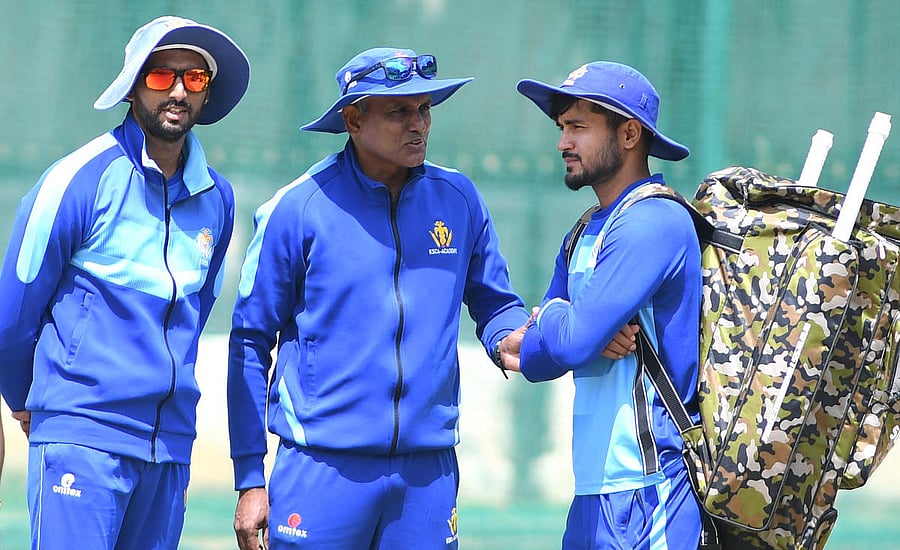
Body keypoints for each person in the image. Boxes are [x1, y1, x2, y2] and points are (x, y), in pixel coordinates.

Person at [226, 47, 532, 549]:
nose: (419, 125)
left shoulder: (459, 199)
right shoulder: (297, 208)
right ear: (353, 119)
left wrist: (509, 337)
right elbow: (250, 343)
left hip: (427, 473)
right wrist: (249, 476)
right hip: (320, 467)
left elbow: (496, 304)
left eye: (425, 109)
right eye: (399, 111)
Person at [0, 15, 249, 549]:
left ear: (207, 93)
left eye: (195, 78)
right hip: (81, 439)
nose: (178, 90)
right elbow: (13, 312)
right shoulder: (77, 179)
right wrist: (34, 402)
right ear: (134, 85)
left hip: (169, 448)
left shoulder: (219, 200)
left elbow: (194, 314)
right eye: (161, 76)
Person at [509, 61, 703, 549]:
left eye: (578, 127)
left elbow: (568, 343)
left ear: (630, 133)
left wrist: (559, 318)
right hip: (594, 493)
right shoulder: (585, 229)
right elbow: (533, 362)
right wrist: (579, 326)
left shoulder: (653, 220)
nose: (562, 143)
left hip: (650, 492)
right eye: (562, 128)